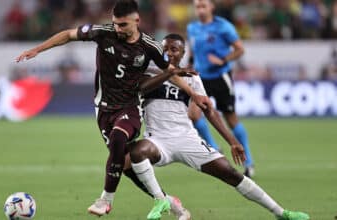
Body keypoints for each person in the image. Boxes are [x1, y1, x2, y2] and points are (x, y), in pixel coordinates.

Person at [16, 0, 200, 217]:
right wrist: (38, 49)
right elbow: (68, 34)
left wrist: (194, 93)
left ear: (136, 21)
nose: (117, 29)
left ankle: (105, 200)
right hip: (103, 110)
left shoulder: (150, 46)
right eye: (115, 24)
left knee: (118, 138)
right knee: (125, 166)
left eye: (122, 25)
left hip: (130, 107)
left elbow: (169, 71)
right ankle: (166, 200)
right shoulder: (103, 33)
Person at [128, 33, 310, 220]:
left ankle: (281, 213)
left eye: (174, 49)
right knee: (137, 151)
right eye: (164, 48)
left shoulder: (192, 78)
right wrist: (170, 72)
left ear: (183, 53)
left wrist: (232, 141)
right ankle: (162, 200)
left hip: (186, 139)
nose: (169, 53)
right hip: (157, 140)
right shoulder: (148, 73)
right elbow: (140, 89)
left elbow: (209, 111)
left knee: (230, 173)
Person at [187, 0, 255, 177]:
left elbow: (240, 49)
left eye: (203, 6)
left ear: (211, 8)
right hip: (200, 79)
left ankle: (249, 161)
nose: (200, 10)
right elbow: (193, 52)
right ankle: (215, 148)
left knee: (231, 119)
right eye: (197, 7)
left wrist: (224, 60)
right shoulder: (192, 28)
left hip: (220, 78)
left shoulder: (224, 27)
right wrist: (189, 66)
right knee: (193, 115)